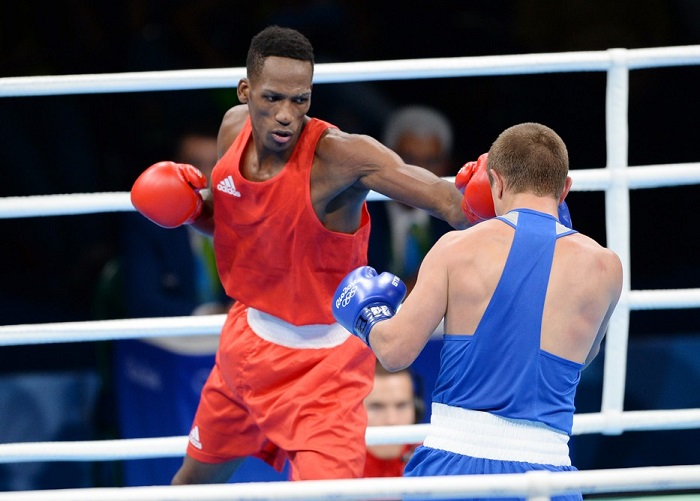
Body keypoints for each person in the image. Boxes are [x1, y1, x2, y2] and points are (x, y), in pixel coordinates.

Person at [129, 25, 469, 484]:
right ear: (245, 91)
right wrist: (192, 209)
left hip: (324, 370)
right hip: (245, 345)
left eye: (300, 99)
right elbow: (237, 221)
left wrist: (497, 190)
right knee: (192, 484)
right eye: (272, 99)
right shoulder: (232, 130)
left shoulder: (342, 157)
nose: (287, 114)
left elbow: (450, 203)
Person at [332, 122, 623, 500]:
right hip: (548, 471)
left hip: (454, 466)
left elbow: (394, 350)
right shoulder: (606, 268)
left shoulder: (456, 248)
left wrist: (367, 315)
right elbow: (584, 358)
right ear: (564, 189)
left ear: (495, 183)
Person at [122, 128, 230, 318]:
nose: (205, 175)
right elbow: (143, 300)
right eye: (195, 164)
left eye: (216, 163)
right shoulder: (149, 223)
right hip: (171, 333)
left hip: (232, 329)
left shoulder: (247, 216)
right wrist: (206, 314)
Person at [368, 105, 455, 292]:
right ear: (387, 159)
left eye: (431, 161)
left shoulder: (459, 223)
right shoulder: (360, 213)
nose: (420, 172)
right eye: (408, 160)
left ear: (447, 164)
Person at [363, 360, 424, 478]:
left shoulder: (434, 462)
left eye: (401, 406)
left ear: (417, 409)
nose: (392, 420)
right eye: (376, 407)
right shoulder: (333, 465)